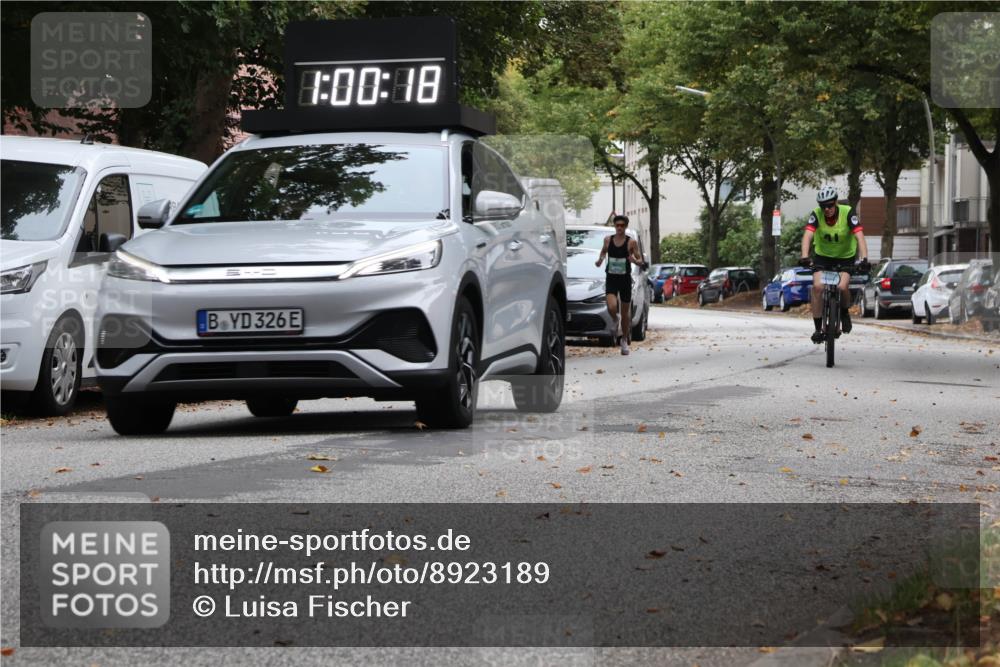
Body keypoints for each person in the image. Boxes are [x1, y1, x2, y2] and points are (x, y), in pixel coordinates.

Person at [800, 186, 871, 344]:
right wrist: (804, 256)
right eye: (823, 206)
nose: (827, 209)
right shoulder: (816, 215)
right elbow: (807, 236)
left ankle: (844, 313)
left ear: (836, 203)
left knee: (842, 287)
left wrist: (864, 259)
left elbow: (859, 236)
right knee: (818, 287)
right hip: (823, 258)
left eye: (830, 205)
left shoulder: (847, 212)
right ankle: (818, 329)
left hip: (845, 257)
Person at [595, 214, 644, 355]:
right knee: (611, 306)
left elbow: (640, 260)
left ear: (626, 227)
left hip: (625, 280)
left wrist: (633, 260)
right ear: (614, 226)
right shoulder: (608, 240)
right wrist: (600, 260)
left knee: (626, 314)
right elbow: (604, 252)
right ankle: (615, 319)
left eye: (622, 225)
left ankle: (623, 341)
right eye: (617, 225)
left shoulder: (631, 242)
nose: (620, 228)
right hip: (611, 278)